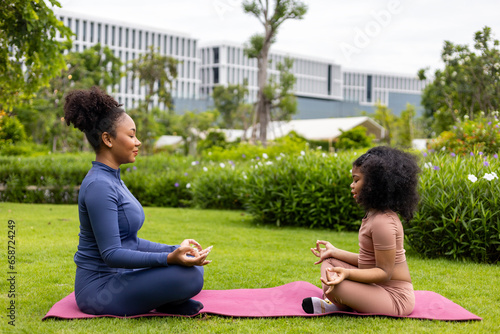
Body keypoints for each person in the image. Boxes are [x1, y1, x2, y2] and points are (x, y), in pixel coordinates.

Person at [64, 86, 212, 316]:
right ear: (107, 139)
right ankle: (167, 299)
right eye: (131, 135)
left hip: (121, 276)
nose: (138, 142)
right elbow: (111, 254)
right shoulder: (98, 186)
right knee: (189, 276)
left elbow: (129, 241)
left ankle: (166, 300)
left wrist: (174, 250)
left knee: (190, 264)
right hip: (100, 291)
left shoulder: (112, 178)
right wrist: (168, 258)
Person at [302, 146, 420, 316]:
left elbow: (384, 273)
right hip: (375, 288)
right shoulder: (373, 214)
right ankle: (341, 303)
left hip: (395, 298)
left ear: (374, 184)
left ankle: (337, 303)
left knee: (337, 284)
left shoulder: (383, 222)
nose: (352, 185)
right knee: (330, 263)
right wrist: (335, 252)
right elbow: (369, 262)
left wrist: (347, 273)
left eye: (356, 180)